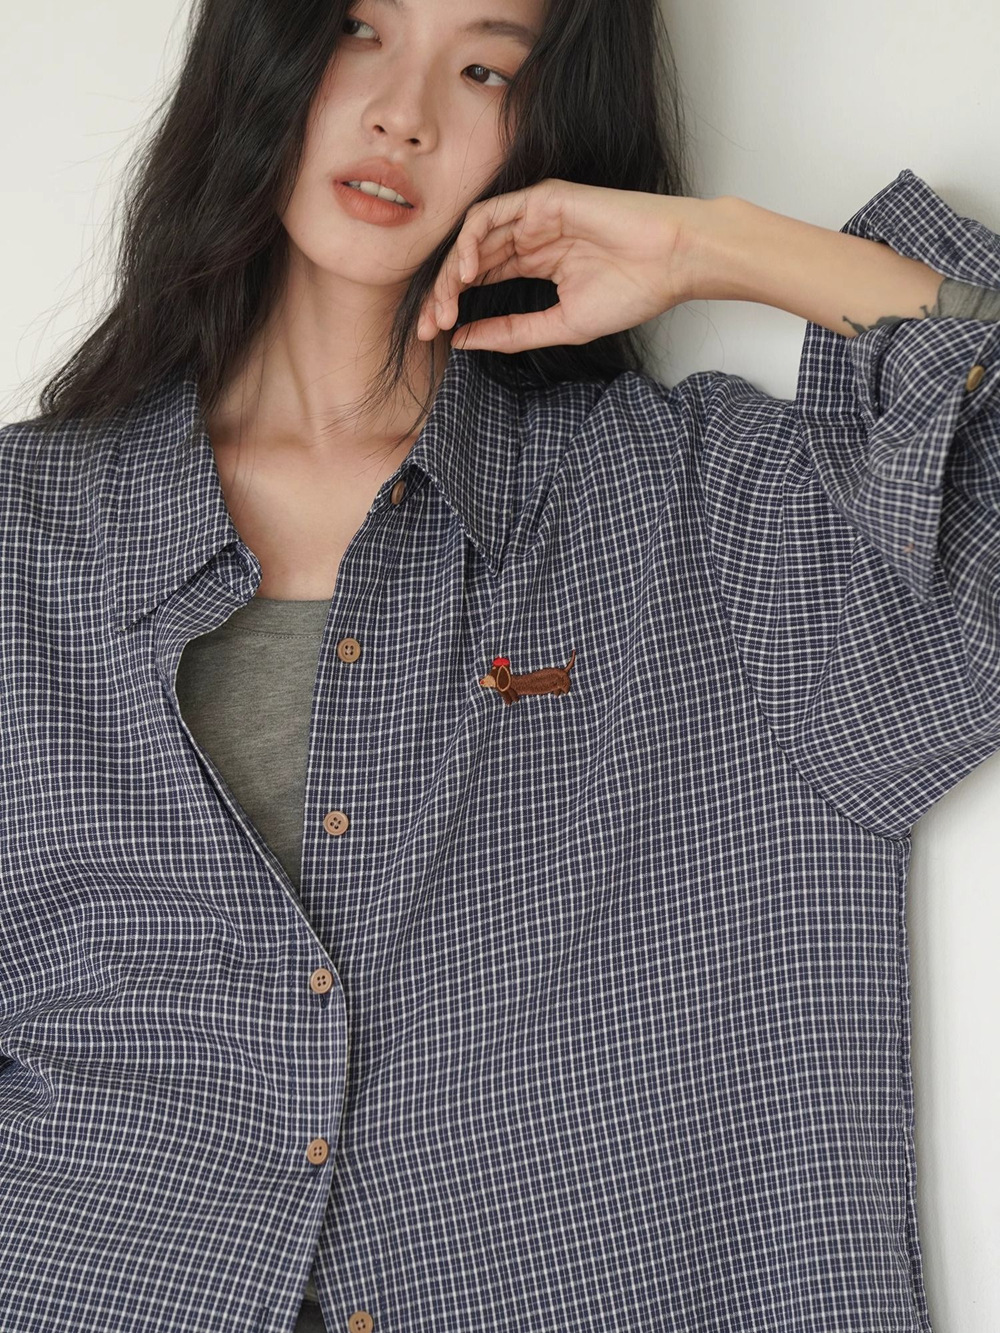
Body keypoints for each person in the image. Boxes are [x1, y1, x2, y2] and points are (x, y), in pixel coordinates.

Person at [1, 0, 998, 1330]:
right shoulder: (26, 541)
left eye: (484, 67)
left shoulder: (709, 519)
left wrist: (718, 244)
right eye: (357, 29)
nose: (402, 113)